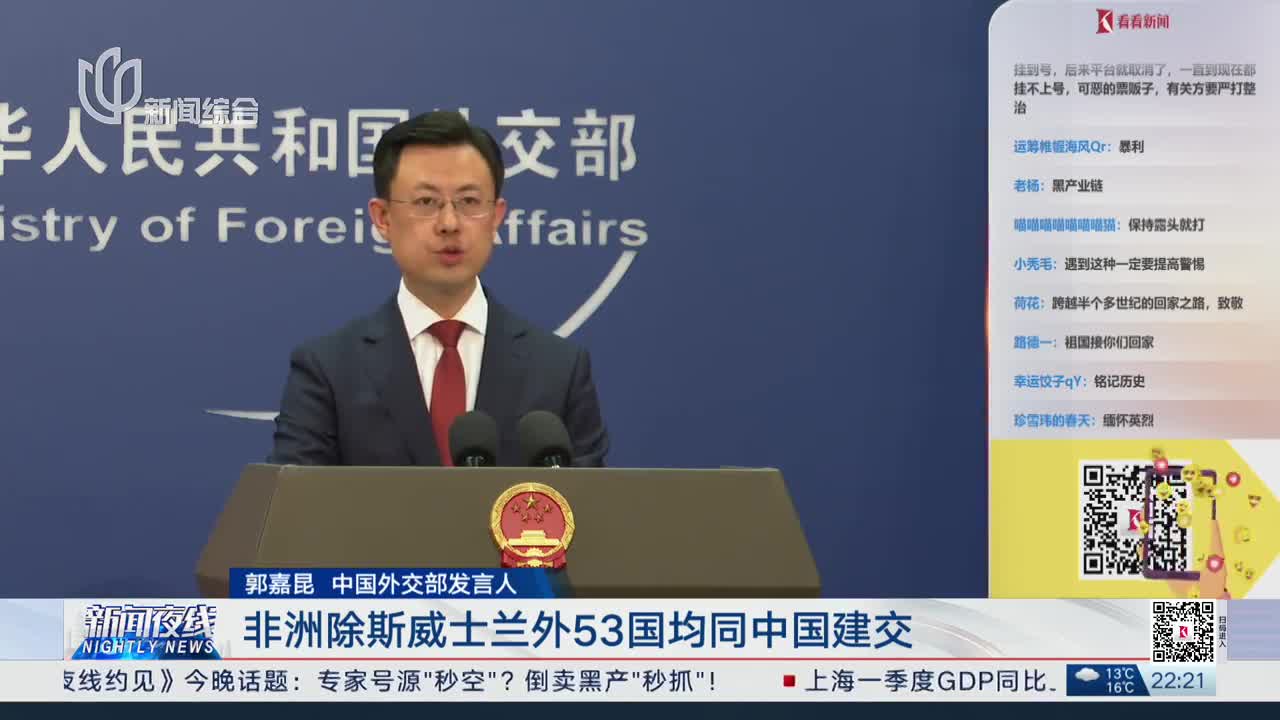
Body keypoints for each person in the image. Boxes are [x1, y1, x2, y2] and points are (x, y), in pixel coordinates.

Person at [268, 111, 609, 467]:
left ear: (497, 216)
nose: (449, 223)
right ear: (382, 218)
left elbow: (590, 499)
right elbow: (293, 498)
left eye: (469, 202)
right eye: (426, 202)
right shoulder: (329, 370)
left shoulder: (558, 370)